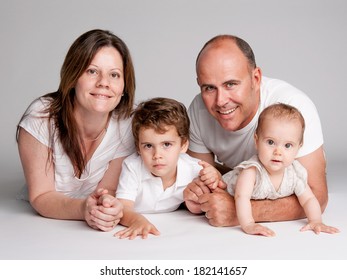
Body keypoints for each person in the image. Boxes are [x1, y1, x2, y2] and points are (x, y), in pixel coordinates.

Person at [184, 34, 328, 227]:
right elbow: (204, 180)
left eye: (231, 84)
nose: (220, 101)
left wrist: (239, 212)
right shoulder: (198, 109)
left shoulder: (293, 107)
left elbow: (318, 195)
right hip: (245, 180)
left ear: (256, 78)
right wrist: (197, 193)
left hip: (276, 184)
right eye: (209, 88)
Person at [16, 29, 136, 231]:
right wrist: (83, 209)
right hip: (45, 232)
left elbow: (109, 191)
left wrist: (107, 209)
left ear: (124, 86)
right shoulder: (40, 117)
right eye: (92, 71)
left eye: (114, 75)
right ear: (73, 77)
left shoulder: (127, 124)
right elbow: (41, 196)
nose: (103, 83)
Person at [222, 103, 339, 236]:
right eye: (271, 142)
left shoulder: (294, 173)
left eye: (288, 145)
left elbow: (308, 199)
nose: (278, 152)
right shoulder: (252, 171)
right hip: (222, 188)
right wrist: (249, 224)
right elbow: (241, 197)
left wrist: (316, 220)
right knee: (196, 205)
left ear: (299, 147)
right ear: (257, 140)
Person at [114, 97, 220, 239]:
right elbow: (123, 207)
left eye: (167, 145)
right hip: (140, 225)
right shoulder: (132, 166)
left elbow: (217, 192)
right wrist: (137, 220)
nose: (157, 155)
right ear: (138, 148)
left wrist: (214, 176)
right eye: (148, 146)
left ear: (183, 145)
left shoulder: (193, 168)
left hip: (174, 232)